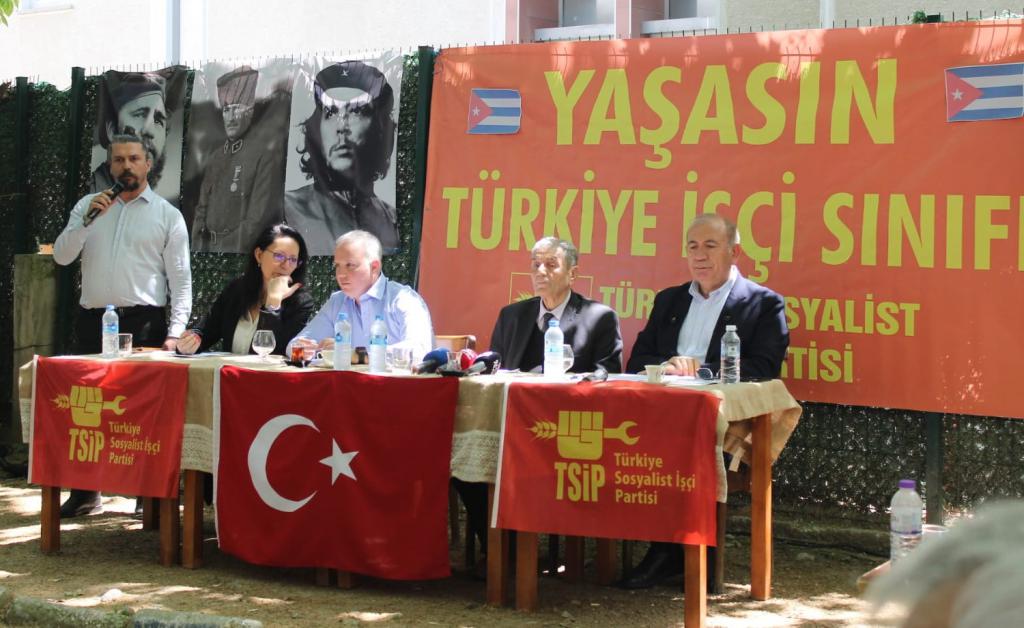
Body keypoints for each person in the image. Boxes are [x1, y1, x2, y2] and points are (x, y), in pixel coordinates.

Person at [619, 213, 789, 589]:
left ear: (734, 252)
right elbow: (637, 360)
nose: (699, 255)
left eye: (710, 246)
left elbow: (764, 366)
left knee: (681, 444)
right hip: (660, 412)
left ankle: (677, 553)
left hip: (723, 422)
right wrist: (668, 364)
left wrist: (703, 371)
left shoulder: (763, 303)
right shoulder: (670, 300)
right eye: (692, 246)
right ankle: (670, 551)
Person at [455, 236, 624, 563]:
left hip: (565, 430)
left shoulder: (599, 317)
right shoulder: (512, 315)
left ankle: (514, 554)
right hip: (509, 422)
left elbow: (609, 373)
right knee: (465, 463)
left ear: (572, 273)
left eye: (551, 264)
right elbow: (495, 369)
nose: (541, 271)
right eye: (535, 264)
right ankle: (502, 551)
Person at [53, 134, 192, 518]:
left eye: (133, 159)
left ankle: (147, 495)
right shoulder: (87, 206)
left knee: (142, 411)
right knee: (85, 408)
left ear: (148, 165)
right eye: (118, 160)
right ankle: (85, 493)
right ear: (109, 166)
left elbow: (181, 281)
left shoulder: (167, 215)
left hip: (143, 322)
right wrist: (86, 222)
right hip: (93, 320)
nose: (126, 166)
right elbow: (62, 256)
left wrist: (174, 333)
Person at [285, 61, 399, 256]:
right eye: (330, 113)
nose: (341, 127)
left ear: (380, 128)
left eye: (355, 111)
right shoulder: (288, 210)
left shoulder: (390, 220)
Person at [288, 230, 432, 363]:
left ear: (374, 267)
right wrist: (302, 352)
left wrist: (356, 355)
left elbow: (419, 351)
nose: (340, 274)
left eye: (350, 265)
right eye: (337, 266)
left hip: (396, 383)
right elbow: (293, 347)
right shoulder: (337, 302)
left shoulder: (404, 299)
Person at [177, 224, 314, 356]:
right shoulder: (236, 290)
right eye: (279, 256)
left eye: (293, 259)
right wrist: (189, 342)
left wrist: (273, 304)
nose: (286, 265)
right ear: (259, 255)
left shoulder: (301, 302)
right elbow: (205, 332)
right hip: (230, 371)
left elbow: (276, 351)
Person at [191, 66, 285, 253]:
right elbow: (201, 209)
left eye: (237, 109)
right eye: (226, 110)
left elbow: (256, 220)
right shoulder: (216, 157)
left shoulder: (263, 156)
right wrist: (197, 247)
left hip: (238, 252)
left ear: (250, 112)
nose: (231, 117)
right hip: (206, 250)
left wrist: (224, 249)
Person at [91, 71, 175, 205]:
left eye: (158, 120)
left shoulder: (165, 209)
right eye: (139, 114)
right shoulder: (92, 201)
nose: (149, 130)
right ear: (111, 130)